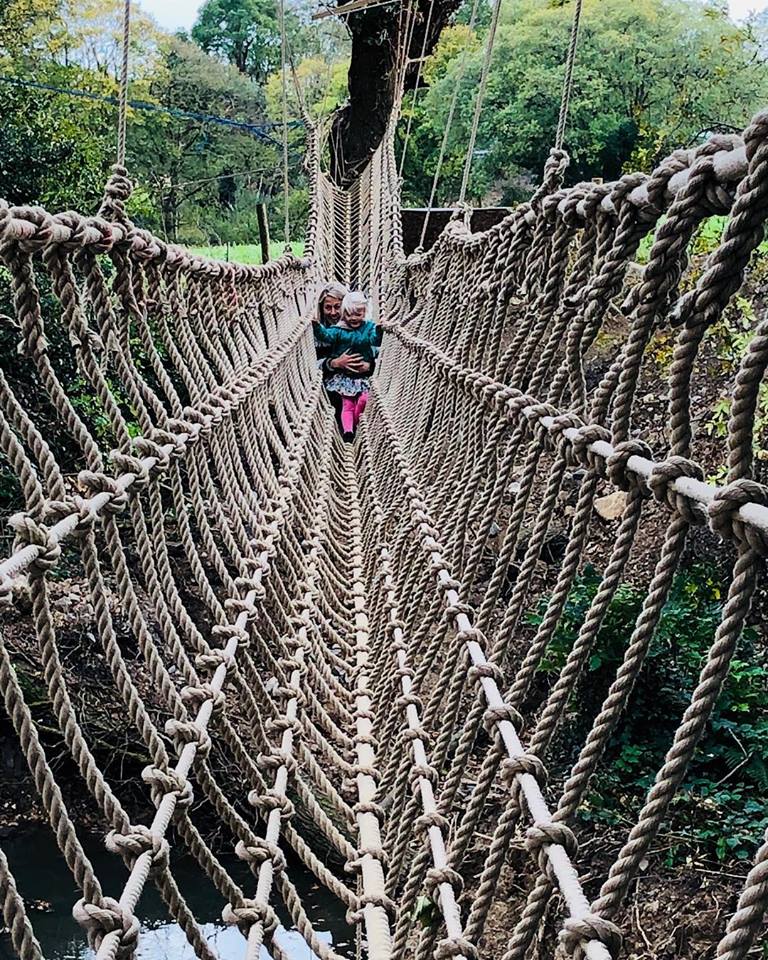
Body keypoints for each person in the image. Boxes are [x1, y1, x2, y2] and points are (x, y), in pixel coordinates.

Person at [314, 290, 382, 441]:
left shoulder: (368, 327)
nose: (333, 312)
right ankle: (348, 432)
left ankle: (358, 426)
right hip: (342, 380)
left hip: (363, 377)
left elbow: (378, 346)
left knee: (364, 400)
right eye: (328, 307)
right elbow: (324, 337)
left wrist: (370, 366)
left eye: (337, 307)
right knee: (347, 404)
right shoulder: (336, 331)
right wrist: (334, 363)